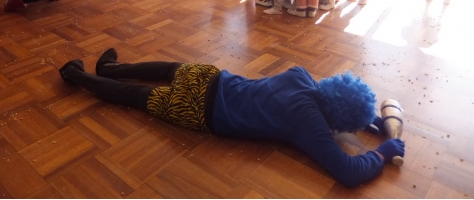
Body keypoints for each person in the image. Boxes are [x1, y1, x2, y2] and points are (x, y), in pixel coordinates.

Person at [59, 48, 405, 189]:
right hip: (201, 111)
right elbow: (348, 172)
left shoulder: (300, 75)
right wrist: (383, 152)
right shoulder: (308, 124)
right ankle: (75, 75)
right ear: (338, 120)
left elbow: (321, 93)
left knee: (167, 69)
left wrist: (368, 119)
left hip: (212, 78)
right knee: (135, 98)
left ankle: (111, 67)